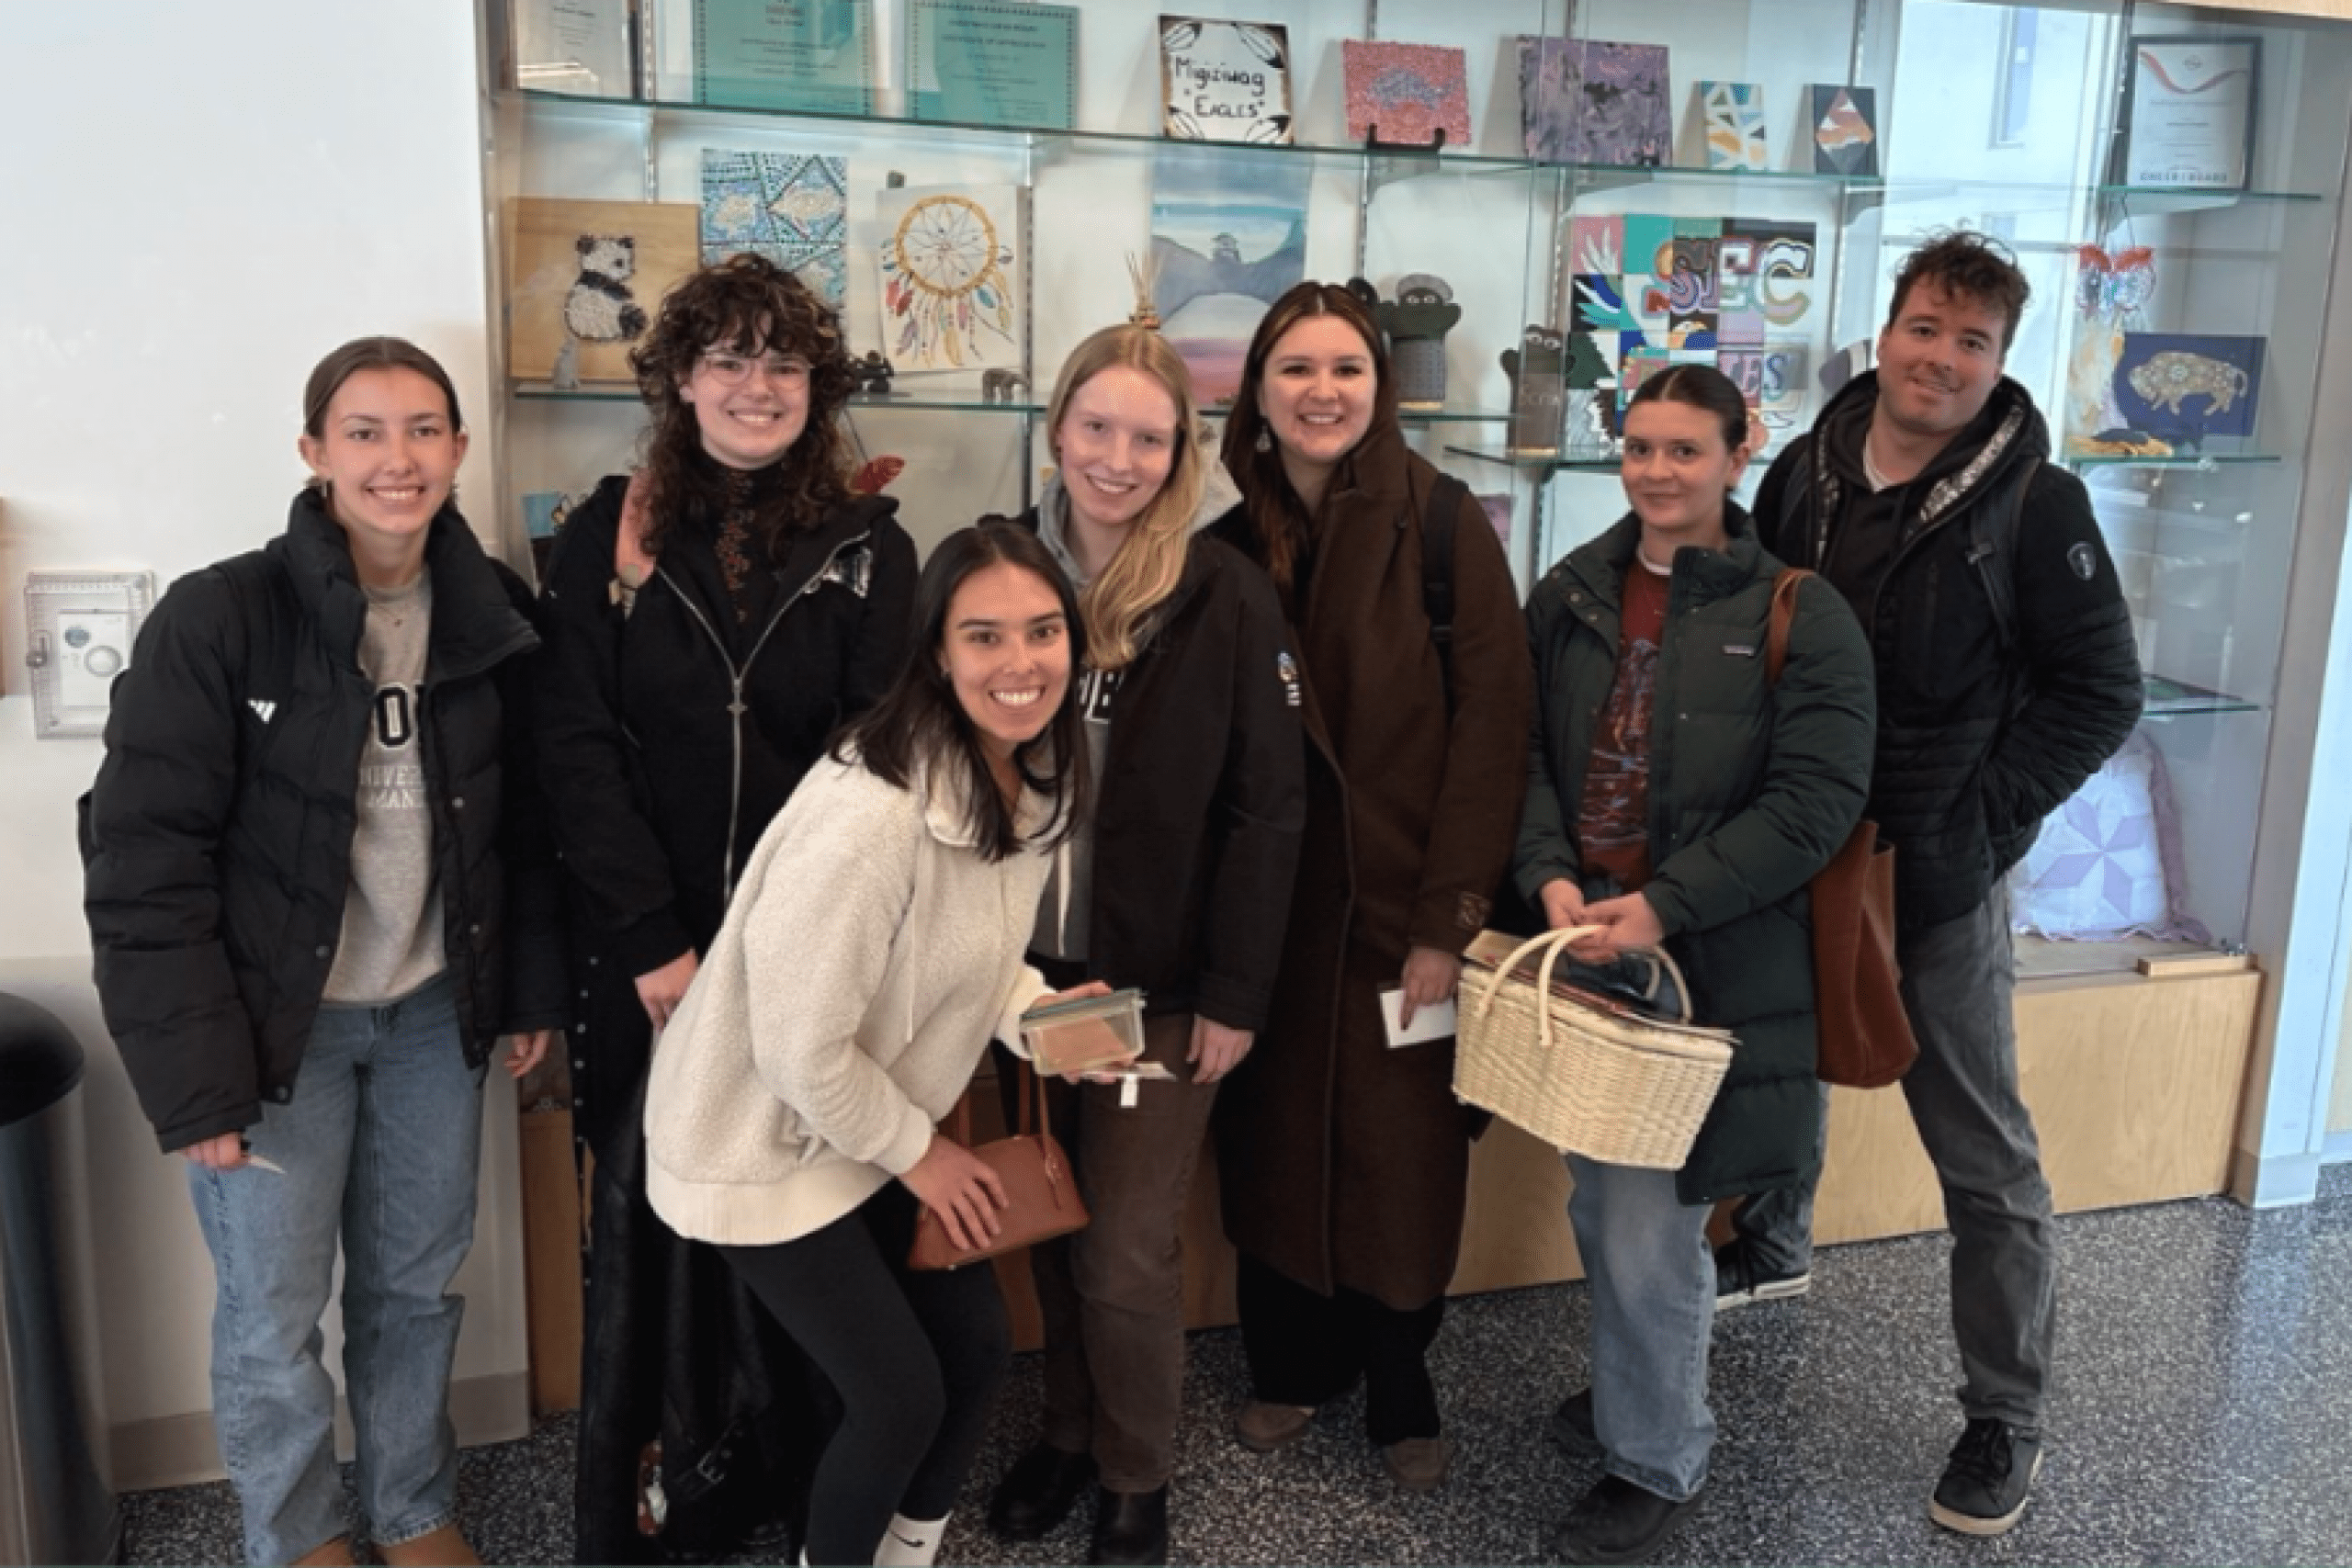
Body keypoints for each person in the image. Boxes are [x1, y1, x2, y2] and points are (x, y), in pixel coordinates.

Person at [81, 336, 564, 1567]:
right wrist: (195, 1085)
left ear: (457, 449)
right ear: (313, 452)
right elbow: (142, 860)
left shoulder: (497, 613)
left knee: (414, 1289)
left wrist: (520, 992)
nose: (395, 458)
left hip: (429, 1021)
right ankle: (294, 1534)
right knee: (272, 1314)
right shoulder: (221, 613)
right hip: (272, 1034)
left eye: (421, 430)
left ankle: (411, 1507)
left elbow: (525, 830)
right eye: (364, 430)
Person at [1741, 231, 2143, 1535]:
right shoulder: (1804, 472)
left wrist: (1983, 817)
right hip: (1797, 847)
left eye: (1972, 341)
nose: (1942, 357)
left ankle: (2006, 1414)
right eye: (1926, 327)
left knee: (1984, 1152)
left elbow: (2101, 691)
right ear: (1885, 332)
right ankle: (1776, 1238)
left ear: (2000, 360)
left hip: (1935, 873)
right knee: (1776, 1061)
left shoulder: (2039, 503)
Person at [533, 253, 916, 1563]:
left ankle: (795, 1490)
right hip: (649, 956)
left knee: (804, 1219)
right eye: (730, 358)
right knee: (661, 1233)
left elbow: (880, 764)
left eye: (785, 361)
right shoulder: (609, 530)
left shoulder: (873, 549)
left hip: (807, 961)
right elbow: (574, 739)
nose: (758, 385)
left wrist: (801, 953)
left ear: (819, 383)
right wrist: (653, 939)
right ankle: (661, 1507)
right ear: (681, 377)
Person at [642, 521, 1096, 1568]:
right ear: (937, 653)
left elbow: (972, 959)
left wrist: (1052, 1025)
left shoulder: (1026, 777)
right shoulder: (871, 816)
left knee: (977, 1347)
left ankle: (905, 1554)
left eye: (1042, 632)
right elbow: (798, 1050)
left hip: (869, 1117)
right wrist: (926, 1158)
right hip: (758, 1135)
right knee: (896, 1397)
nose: (1019, 664)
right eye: (983, 637)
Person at [1512, 365, 1876, 1564]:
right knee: (1599, 1191)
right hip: (1582, 939)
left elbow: (1817, 802)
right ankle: (1639, 1388)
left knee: (1648, 1217)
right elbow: (1523, 760)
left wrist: (1665, 906)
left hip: (1701, 958)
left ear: (1737, 450)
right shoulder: (1572, 592)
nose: (1657, 471)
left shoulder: (1798, 609)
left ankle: (1657, 1449)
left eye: (1684, 449)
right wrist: (1550, 873)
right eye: (1638, 447)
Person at [978, 324, 1305, 1565]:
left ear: (1183, 456)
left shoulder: (1222, 589)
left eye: (1150, 437)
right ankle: (1066, 1431)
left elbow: (1270, 805)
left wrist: (1234, 990)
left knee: (1123, 1246)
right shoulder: (1001, 571)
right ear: (1057, 429)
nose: (1119, 458)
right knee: (1052, 1227)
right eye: (1097, 428)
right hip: (1025, 977)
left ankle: (1135, 1473)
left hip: (1160, 987)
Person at [1207, 280, 1532, 1493]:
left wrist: (1450, 917)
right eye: (1295, 368)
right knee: (1274, 1147)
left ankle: (1402, 1380)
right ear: (1258, 388)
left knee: (1405, 1160)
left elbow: (1494, 733)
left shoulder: (1445, 527)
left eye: (1345, 367)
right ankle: (1290, 1365)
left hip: (1408, 922)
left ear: (1379, 384)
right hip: (1272, 926)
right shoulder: (1225, 547)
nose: (1321, 390)